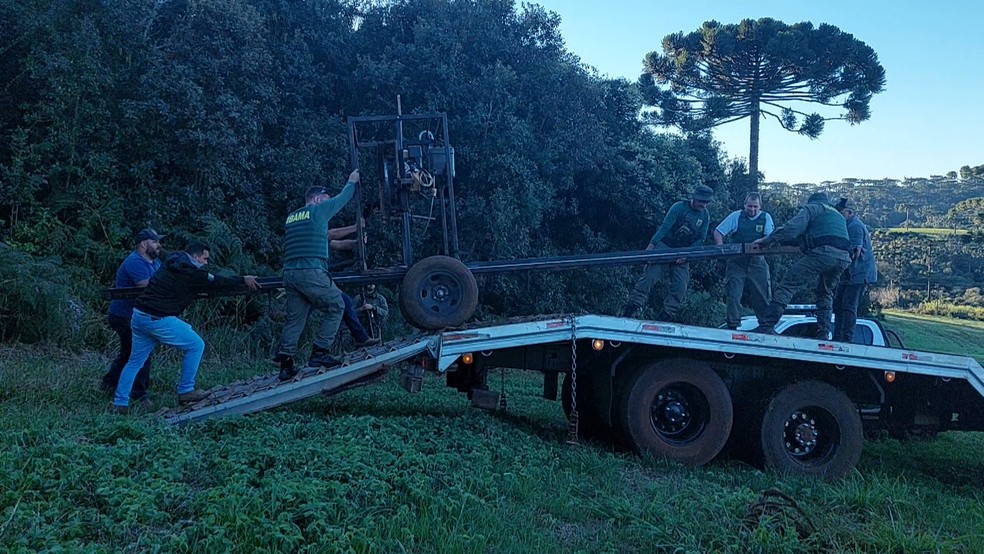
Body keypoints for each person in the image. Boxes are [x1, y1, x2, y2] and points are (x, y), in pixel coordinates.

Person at [111, 241, 260, 414]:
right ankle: (186, 391)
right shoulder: (193, 274)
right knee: (196, 345)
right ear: (195, 257)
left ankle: (120, 403)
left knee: (134, 362)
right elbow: (219, 281)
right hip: (157, 317)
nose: (206, 263)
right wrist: (243, 279)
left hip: (138, 315)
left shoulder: (173, 258)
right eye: (205, 259)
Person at [273, 169, 360, 381]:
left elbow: (325, 236)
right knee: (337, 305)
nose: (327, 204)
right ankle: (320, 353)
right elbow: (343, 198)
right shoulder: (318, 210)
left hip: (290, 274)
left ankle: (285, 364)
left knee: (295, 319)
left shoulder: (292, 216)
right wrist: (352, 181)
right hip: (311, 271)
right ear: (318, 199)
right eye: (325, 200)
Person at [751, 192, 851, 337]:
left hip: (823, 254)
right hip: (843, 258)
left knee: (788, 285)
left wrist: (768, 240)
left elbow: (791, 230)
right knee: (825, 292)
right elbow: (818, 235)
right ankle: (823, 332)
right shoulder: (837, 214)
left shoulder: (812, 209)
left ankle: (767, 325)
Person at [621, 185, 714, 320]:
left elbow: (701, 240)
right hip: (665, 246)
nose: (704, 205)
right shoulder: (679, 207)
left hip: (684, 251)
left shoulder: (705, 216)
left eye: (706, 202)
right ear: (694, 198)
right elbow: (665, 227)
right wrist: (651, 246)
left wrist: (687, 254)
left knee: (681, 285)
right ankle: (631, 308)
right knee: (649, 277)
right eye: (701, 201)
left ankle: (666, 315)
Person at [100, 228, 165, 404]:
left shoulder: (153, 262)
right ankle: (139, 394)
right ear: (144, 244)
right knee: (141, 352)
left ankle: (109, 383)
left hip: (133, 314)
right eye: (155, 242)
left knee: (129, 353)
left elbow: (161, 279)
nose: (159, 245)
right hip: (124, 316)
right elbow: (146, 286)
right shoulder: (136, 262)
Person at [713, 193, 775, 329]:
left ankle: (766, 325)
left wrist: (761, 243)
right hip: (736, 261)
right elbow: (718, 232)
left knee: (762, 294)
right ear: (744, 205)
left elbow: (770, 238)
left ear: (760, 207)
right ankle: (733, 324)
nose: (752, 210)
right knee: (733, 294)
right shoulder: (736, 216)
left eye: (755, 207)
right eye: (749, 206)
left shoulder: (766, 218)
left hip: (757, 261)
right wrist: (721, 250)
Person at [832, 198, 878, 342]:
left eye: (841, 211)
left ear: (849, 212)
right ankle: (838, 336)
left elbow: (856, 251)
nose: (838, 214)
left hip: (859, 274)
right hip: (849, 274)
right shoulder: (847, 225)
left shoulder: (854, 226)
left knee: (849, 305)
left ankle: (847, 338)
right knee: (838, 304)